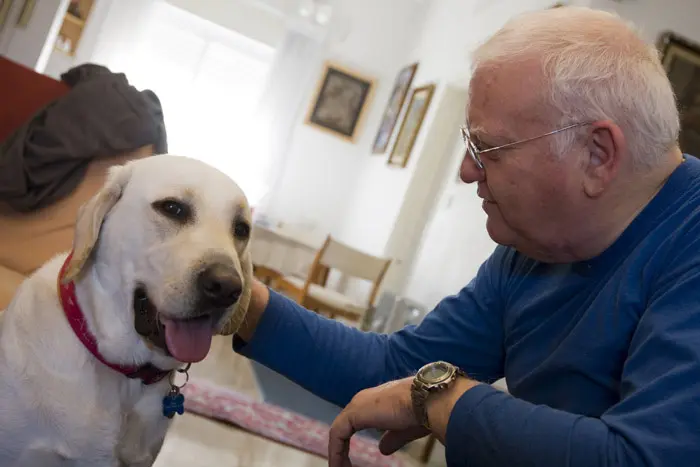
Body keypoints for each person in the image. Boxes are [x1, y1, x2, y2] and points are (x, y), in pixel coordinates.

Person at [233, 6, 700, 467]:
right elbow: (396, 371)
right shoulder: (533, 248)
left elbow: (644, 457)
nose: (465, 171)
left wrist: (442, 400)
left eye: (488, 148)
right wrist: (236, 303)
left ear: (597, 155)